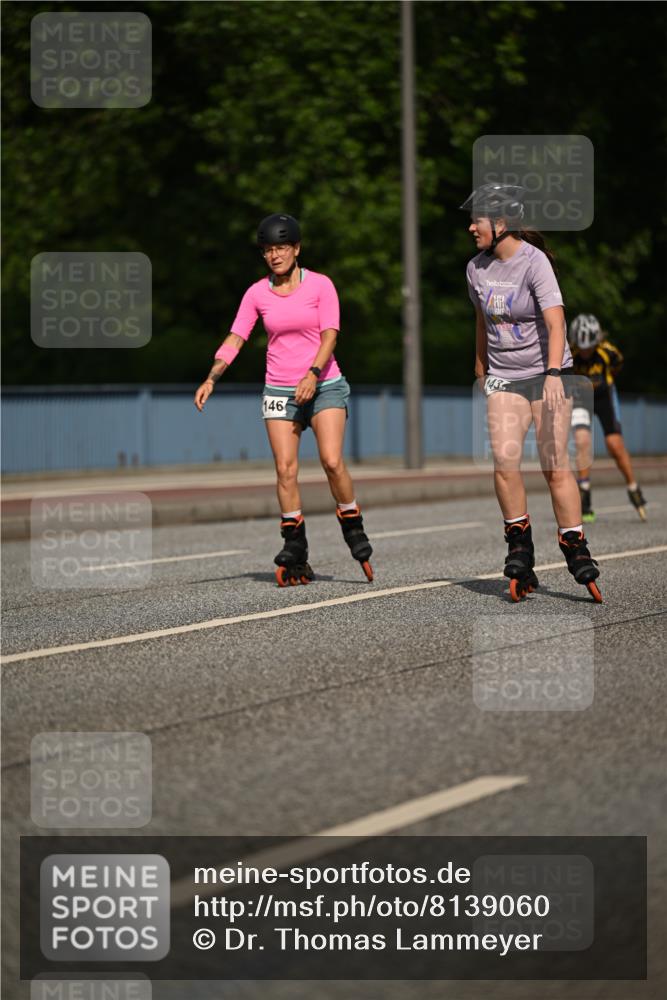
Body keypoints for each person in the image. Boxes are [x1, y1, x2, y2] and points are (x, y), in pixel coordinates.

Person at [194, 213, 373, 585]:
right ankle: (295, 546)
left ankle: (351, 521)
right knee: (285, 469)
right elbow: (236, 337)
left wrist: (312, 374)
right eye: (267, 250)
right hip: (279, 389)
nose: (274, 255)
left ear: (296, 249)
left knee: (332, 460)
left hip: (324, 385)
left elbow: (330, 337)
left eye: (281, 248)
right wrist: (212, 377)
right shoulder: (257, 293)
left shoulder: (321, 286)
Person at [461, 182, 602, 603]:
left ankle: (574, 544)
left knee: (554, 465)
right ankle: (519, 544)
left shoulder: (534, 262)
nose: (471, 227)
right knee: (504, 461)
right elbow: (482, 321)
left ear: (501, 224)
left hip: (546, 374)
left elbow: (557, 323)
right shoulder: (476, 269)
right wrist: (480, 364)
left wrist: (556, 372)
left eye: (478, 220)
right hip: (505, 375)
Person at [569, 313, 647, 521]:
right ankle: (584, 492)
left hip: (604, 396)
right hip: (581, 398)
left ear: (597, 341)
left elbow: (618, 365)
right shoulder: (569, 353)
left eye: (589, 346)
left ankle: (633, 486)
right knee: (581, 440)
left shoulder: (608, 352)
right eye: (581, 346)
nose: (585, 351)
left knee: (614, 444)